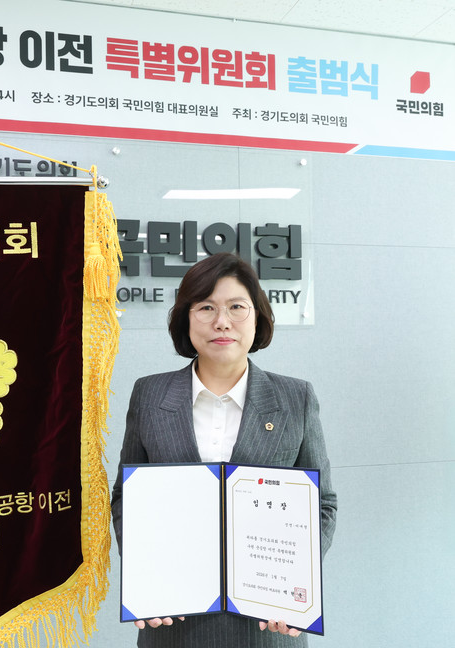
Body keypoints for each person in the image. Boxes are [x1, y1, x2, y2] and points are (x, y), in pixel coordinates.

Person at [111, 253, 337, 647]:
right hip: (173, 625)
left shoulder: (295, 397)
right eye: (206, 308)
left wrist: (295, 582)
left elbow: (323, 505)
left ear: (258, 317)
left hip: (266, 628)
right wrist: (145, 576)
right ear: (185, 319)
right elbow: (125, 497)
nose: (222, 321)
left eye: (236, 307)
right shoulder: (149, 393)